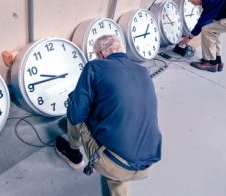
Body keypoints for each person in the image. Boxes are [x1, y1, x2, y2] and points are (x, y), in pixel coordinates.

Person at [54, 35, 162, 196]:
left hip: (113, 164)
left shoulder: (94, 67)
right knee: (122, 156)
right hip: (148, 164)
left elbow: (77, 116)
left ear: (101, 54)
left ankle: (73, 153)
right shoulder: (143, 71)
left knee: (74, 102)